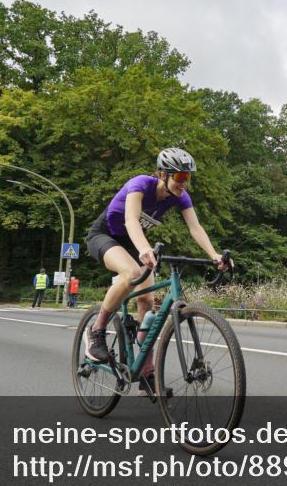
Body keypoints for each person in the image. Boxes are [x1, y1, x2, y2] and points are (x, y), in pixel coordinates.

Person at [84, 148, 230, 393]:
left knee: (147, 300)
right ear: (163, 174)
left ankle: (146, 370)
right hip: (105, 236)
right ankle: (97, 331)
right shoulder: (139, 184)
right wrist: (144, 249)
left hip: (134, 242)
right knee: (131, 274)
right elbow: (131, 220)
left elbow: (195, 228)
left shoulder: (180, 197)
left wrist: (214, 255)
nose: (184, 183)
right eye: (180, 177)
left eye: (188, 178)